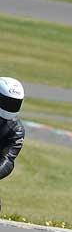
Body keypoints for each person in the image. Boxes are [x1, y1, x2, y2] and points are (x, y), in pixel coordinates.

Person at [0, 77, 25, 213]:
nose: (11, 105)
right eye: (8, 102)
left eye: (14, 102)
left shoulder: (16, 130)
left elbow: (8, 160)